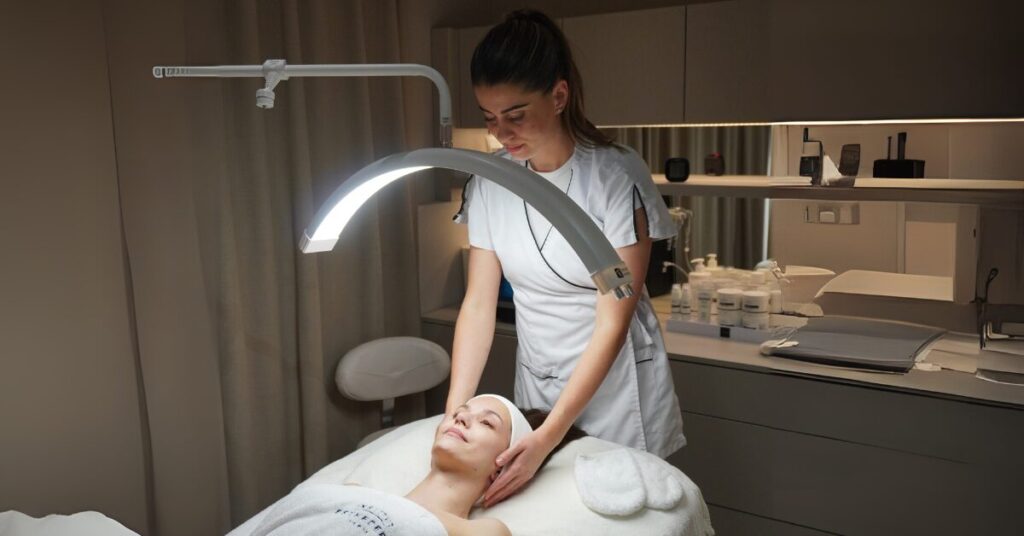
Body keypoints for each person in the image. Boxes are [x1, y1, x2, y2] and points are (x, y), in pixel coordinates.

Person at [448, 9, 686, 508]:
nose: (502, 133)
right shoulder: (490, 181)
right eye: (489, 118)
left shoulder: (614, 178)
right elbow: (478, 305)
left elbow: (613, 316)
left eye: (516, 115)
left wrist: (549, 436)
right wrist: (455, 412)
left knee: (619, 509)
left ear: (559, 96)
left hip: (614, 386)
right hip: (538, 373)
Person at [251, 395, 583, 536]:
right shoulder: (346, 492)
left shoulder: (487, 530)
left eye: (487, 423)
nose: (462, 418)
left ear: (503, 467)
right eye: (460, 413)